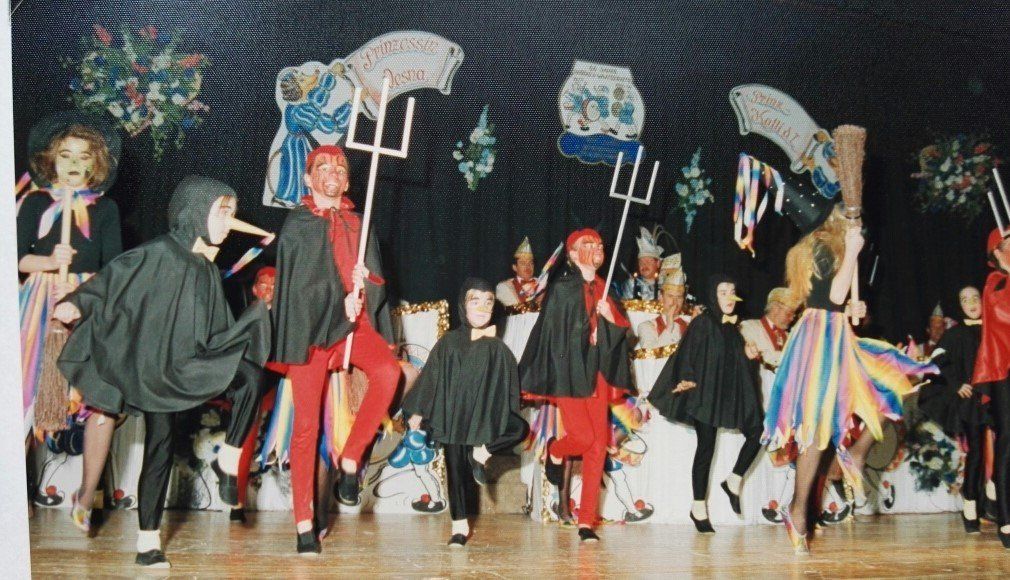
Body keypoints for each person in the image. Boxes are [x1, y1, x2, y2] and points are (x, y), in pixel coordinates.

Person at [54, 176, 271, 568]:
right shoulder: (159, 252)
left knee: (251, 377)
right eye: (222, 212)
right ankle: (148, 542)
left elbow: (217, 333)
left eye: (232, 214)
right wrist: (77, 302)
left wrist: (255, 319)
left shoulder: (207, 270)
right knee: (160, 448)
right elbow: (111, 279)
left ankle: (229, 458)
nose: (229, 223)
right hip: (157, 371)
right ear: (195, 211)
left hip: (192, 364)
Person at [762, 205, 936, 555]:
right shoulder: (821, 245)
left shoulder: (833, 247)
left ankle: (854, 454)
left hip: (836, 332)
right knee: (817, 429)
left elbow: (835, 301)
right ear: (830, 217)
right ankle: (798, 509)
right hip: (820, 337)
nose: (852, 218)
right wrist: (853, 252)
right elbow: (834, 296)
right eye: (844, 213)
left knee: (893, 382)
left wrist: (852, 310)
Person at [271, 144, 401, 554]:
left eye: (341, 168)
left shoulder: (358, 222)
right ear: (308, 178)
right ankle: (304, 522)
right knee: (306, 426)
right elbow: (299, 289)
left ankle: (350, 458)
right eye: (323, 167)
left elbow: (376, 285)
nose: (333, 173)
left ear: (347, 182)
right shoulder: (298, 224)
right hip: (311, 334)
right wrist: (337, 299)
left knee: (388, 372)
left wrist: (367, 281)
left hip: (351, 329)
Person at [520, 228, 633, 543]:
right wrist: (587, 331)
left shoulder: (604, 288)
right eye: (588, 244)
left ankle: (586, 522)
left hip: (597, 373)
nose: (596, 247)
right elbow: (554, 335)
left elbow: (622, 333)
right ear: (572, 254)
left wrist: (610, 319)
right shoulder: (562, 288)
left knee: (597, 446)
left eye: (599, 243)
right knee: (582, 437)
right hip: (569, 373)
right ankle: (555, 450)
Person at [17, 112, 122, 441]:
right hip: (38, 300)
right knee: (26, 382)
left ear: (96, 163)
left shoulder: (105, 209)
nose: (74, 163)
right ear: (52, 160)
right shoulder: (35, 202)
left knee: (78, 392)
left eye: (83, 156)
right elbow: (17, 260)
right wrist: (49, 261)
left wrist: (80, 291)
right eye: (65, 155)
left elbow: (113, 270)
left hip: (83, 301)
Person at [402, 278, 528, 546]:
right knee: (456, 469)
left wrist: (501, 415)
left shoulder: (498, 348)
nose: (482, 308)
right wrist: (418, 410)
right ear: (463, 305)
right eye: (475, 301)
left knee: (519, 428)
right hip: (454, 414)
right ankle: (459, 526)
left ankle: (481, 453)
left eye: (488, 302)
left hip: (484, 415)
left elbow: (509, 388)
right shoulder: (449, 342)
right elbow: (431, 376)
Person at [647, 275, 761, 533]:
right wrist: (686, 377)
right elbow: (687, 352)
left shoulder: (732, 327)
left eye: (732, 291)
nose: (729, 297)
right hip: (704, 394)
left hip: (725, 395)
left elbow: (735, 364)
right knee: (706, 446)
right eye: (723, 292)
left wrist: (749, 356)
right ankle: (698, 507)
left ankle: (733, 480)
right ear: (713, 295)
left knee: (758, 431)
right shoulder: (703, 322)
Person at [918, 286, 986, 533]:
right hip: (973, 401)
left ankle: (992, 498)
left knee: (1001, 451)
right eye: (965, 299)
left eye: (975, 297)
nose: (971, 303)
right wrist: (957, 384)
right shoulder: (956, 333)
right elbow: (938, 359)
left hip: (997, 397)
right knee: (977, 452)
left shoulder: (994, 327)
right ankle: (970, 502)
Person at [972, 228, 1010, 547]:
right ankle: (1007, 519)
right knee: (1009, 441)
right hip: (1003, 371)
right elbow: (1004, 315)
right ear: (997, 251)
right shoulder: (994, 283)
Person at [739, 287, 799, 373]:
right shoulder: (749, 326)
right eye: (789, 313)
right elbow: (759, 356)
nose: (792, 318)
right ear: (775, 309)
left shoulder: (790, 336)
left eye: (794, 315)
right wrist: (793, 357)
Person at [636, 270, 691, 349]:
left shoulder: (690, 326)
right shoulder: (646, 327)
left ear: (683, 300)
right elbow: (650, 355)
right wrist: (669, 327)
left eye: (679, 297)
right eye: (670, 296)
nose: (675, 302)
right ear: (661, 298)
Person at [619, 227, 663, 300]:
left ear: (658, 263)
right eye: (641, 262)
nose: (644, 265)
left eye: (648, 261)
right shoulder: (632, 284)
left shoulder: (667, 284)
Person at [496, 237, 538, 307]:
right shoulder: (504, 287)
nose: (528, 266)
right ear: (514, 267)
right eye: (523, 263)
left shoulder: (543, 284)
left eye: (531, 263)